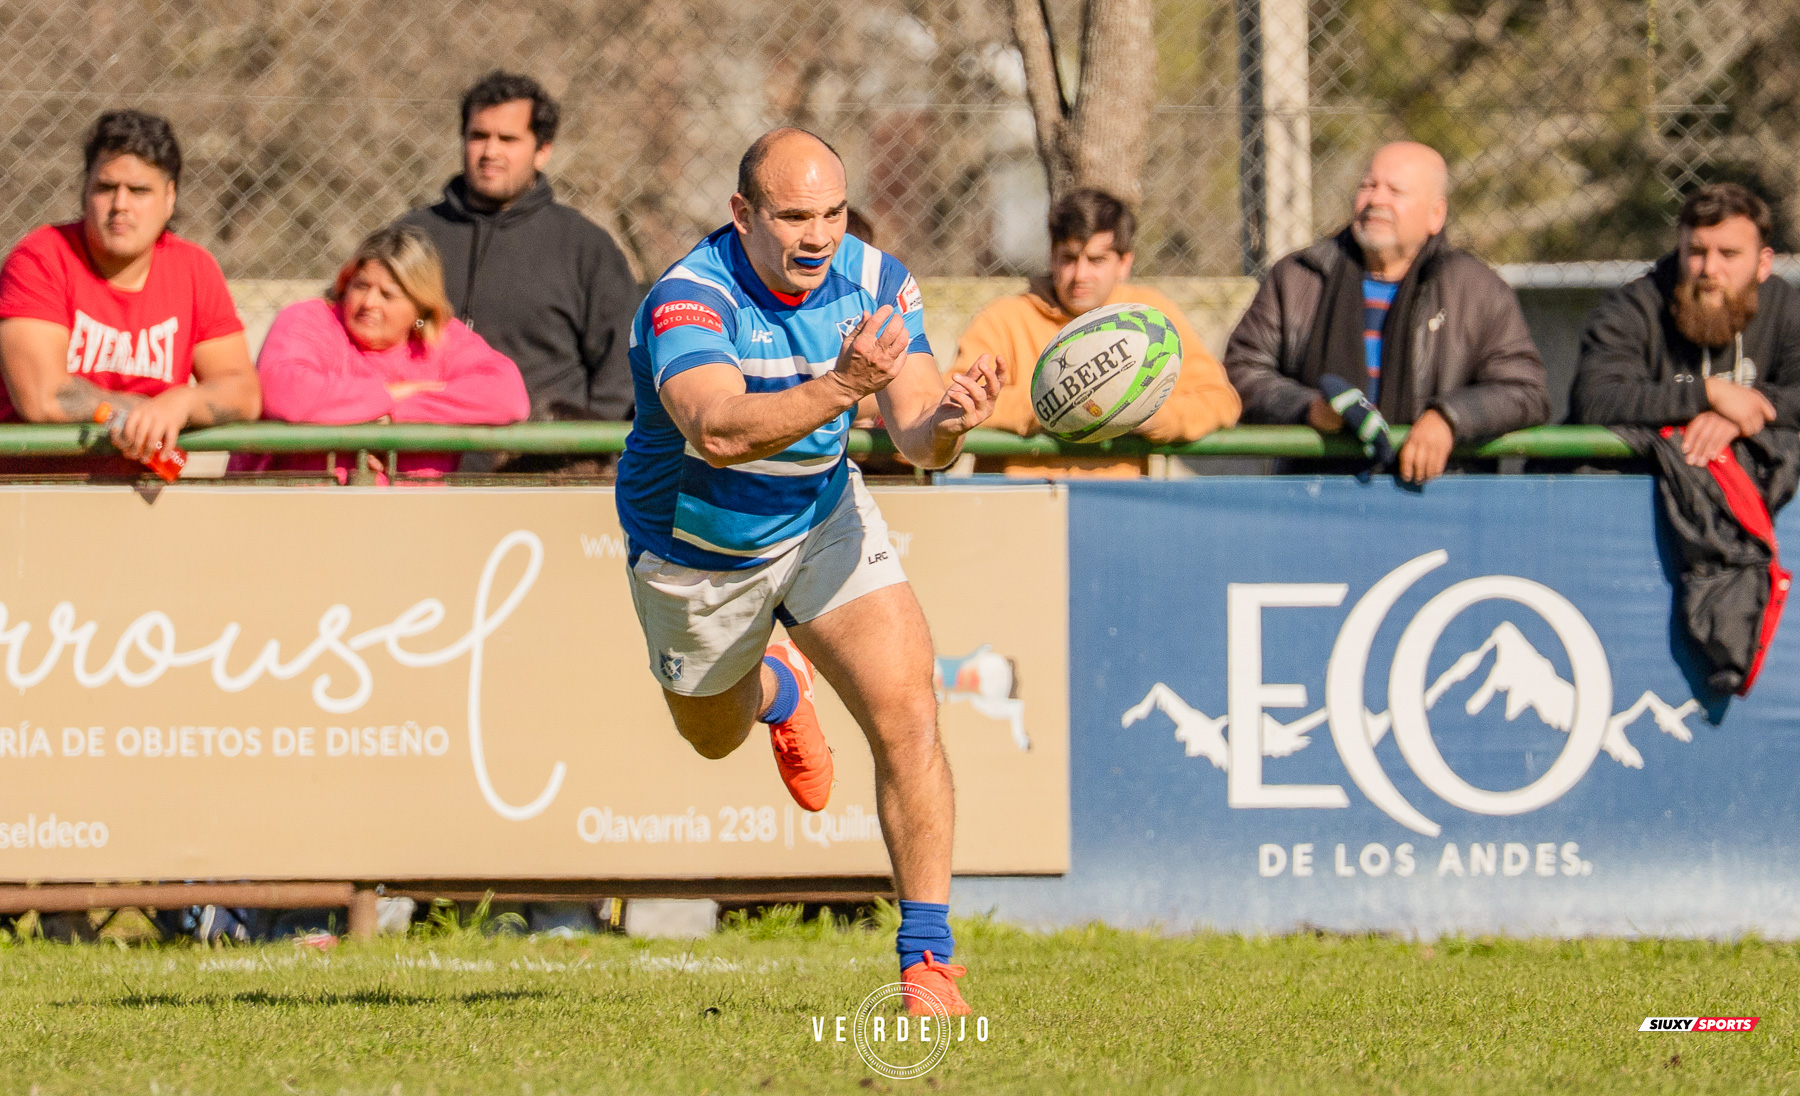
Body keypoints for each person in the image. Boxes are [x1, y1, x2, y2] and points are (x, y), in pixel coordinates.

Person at [617, 128, 1003, 1015]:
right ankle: (776, 693)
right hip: (698, 551)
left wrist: (950, 419)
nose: (819, 235)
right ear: (743, 215)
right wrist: (841, 386)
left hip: (823, 515)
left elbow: (913, 435)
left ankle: (928, 963)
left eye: (832, 212)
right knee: (711, 736)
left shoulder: (875, 280)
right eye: (794, 216)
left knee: (909, 715)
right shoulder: (688, 298)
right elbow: (715, 428)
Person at [1224, 141, 1549, 482]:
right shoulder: (1298, 278)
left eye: (1396, 191)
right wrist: (1310, 408)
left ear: (1435, 215)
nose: (1376, 200)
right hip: (1315, 498)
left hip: (1436, 502)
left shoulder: (1476, 290)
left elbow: (1524, 392)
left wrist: (1449, 418)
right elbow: (1242, 372)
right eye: (1368, 186)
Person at [0, 109, 260, 475]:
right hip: (41, 491)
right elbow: (44, 398)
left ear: (170, 198)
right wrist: (146, 411)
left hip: (145, 492)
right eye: (106, 188)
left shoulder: (194, 269)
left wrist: (181, 402)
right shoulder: (40, 258)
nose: (120, 205)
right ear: (85, 191)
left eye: (139, 191)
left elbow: (244, 394)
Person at [399, 70, 638, 466]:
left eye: (508, 139)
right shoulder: (413, 239)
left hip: (542, 468)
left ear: (542, 149)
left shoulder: (583, 246)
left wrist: (586, 451)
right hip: (421, 456)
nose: (490, 151)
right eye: (478, 136)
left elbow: (623, 367)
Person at [951, 188, 1241, 476]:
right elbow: (954, 399)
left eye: (1097, 260)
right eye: (1069, 258)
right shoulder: (1004, 318)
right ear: (1052, 257)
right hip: (1024, 501)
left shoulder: (1150, 317)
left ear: (1124, 263)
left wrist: (1151, 415)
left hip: (1117, 502)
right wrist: (1055, 407)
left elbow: (1221, 401)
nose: (1080, 275)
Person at [239, 225, 529, 481]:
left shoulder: (439, 336)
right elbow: (283, 390)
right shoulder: (311, 318)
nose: (368, 303)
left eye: (388, 295)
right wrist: (387, 394)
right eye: (361, 286)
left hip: (411, 520)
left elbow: (508, 396)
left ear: (420, 306)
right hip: (299, 511)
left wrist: (394, 415)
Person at [1570, 183, 1800, 461]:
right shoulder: (1634, 307)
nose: (1709, 269)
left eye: (1728, 254)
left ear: (1763, 265)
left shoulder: (1785, 306)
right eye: (1696, 252)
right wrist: (1708, 394)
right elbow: (1596, 398)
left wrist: (1743, 413)